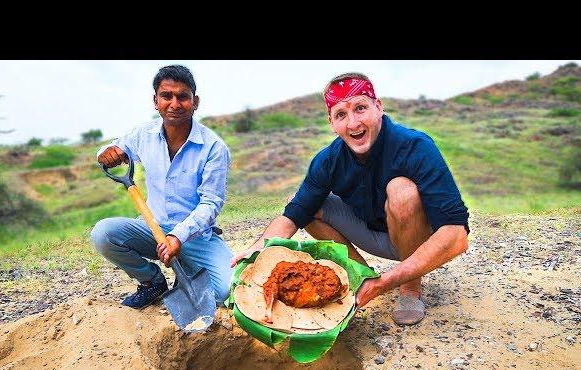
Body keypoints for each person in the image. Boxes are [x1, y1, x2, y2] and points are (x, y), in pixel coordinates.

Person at [231, 72, 469, 326]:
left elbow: (457, 235)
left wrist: (388, 281)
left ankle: (409, 289)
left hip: (417, 237)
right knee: (304, 204)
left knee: (402, 190)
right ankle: (363, 276)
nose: (353, 123)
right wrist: (257, 248)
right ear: (331, 122)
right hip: (372, 233)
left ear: (378, 107)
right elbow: (293, 215)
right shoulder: (328, 160)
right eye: (341, 114)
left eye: (360, 108)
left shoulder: (415, 146)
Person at [91, 65, 233, 309]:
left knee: (226, 292)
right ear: (155, 101)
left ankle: (186, 269)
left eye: (183, 97)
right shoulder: (142, 134)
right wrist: (105, 153)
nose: (174, 104)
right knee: (103, 234)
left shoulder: (214, 148)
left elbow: (211, 203)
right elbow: (111, 150)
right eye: (166, 96)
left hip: (195, 236)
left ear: (195, 101)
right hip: (151, 228)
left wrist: (178, 236)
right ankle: (152, 281)